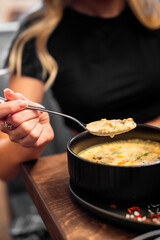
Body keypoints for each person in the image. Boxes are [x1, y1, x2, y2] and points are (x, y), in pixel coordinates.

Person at [0, 0, 160, 181]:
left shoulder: (155, 14)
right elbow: (4, 168)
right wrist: (32, 137)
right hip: (100, 172)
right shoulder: (37, 33)